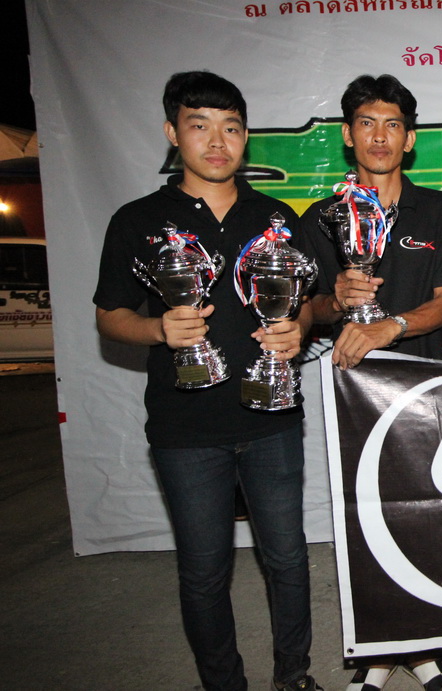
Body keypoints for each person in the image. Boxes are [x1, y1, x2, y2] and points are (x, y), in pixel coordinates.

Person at [93, 71, 321, 691]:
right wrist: (157, 329)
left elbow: (306, 303)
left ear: (245, 137)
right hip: (185, 426)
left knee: (288, 559)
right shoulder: (138, 220)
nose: (218, 142)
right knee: (203, 571)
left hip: (273, 417)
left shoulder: (275, 216)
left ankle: (294, 675)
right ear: (173, 133)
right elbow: (110, 315)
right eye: (200, 126)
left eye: (231, 128)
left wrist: (295, 328)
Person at [304, 74, 442, 691]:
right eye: (367, 123)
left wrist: (388, 326)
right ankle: (383, 649)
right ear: (349, 135)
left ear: (410, 138)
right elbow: (308, 309)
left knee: (425, 516)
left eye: (392, 124)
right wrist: (336, 300)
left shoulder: (439, 210)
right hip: (353, 390)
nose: (380, 136)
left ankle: (421, 645)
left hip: (425, 387)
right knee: (365, 519)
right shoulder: (323, 217)